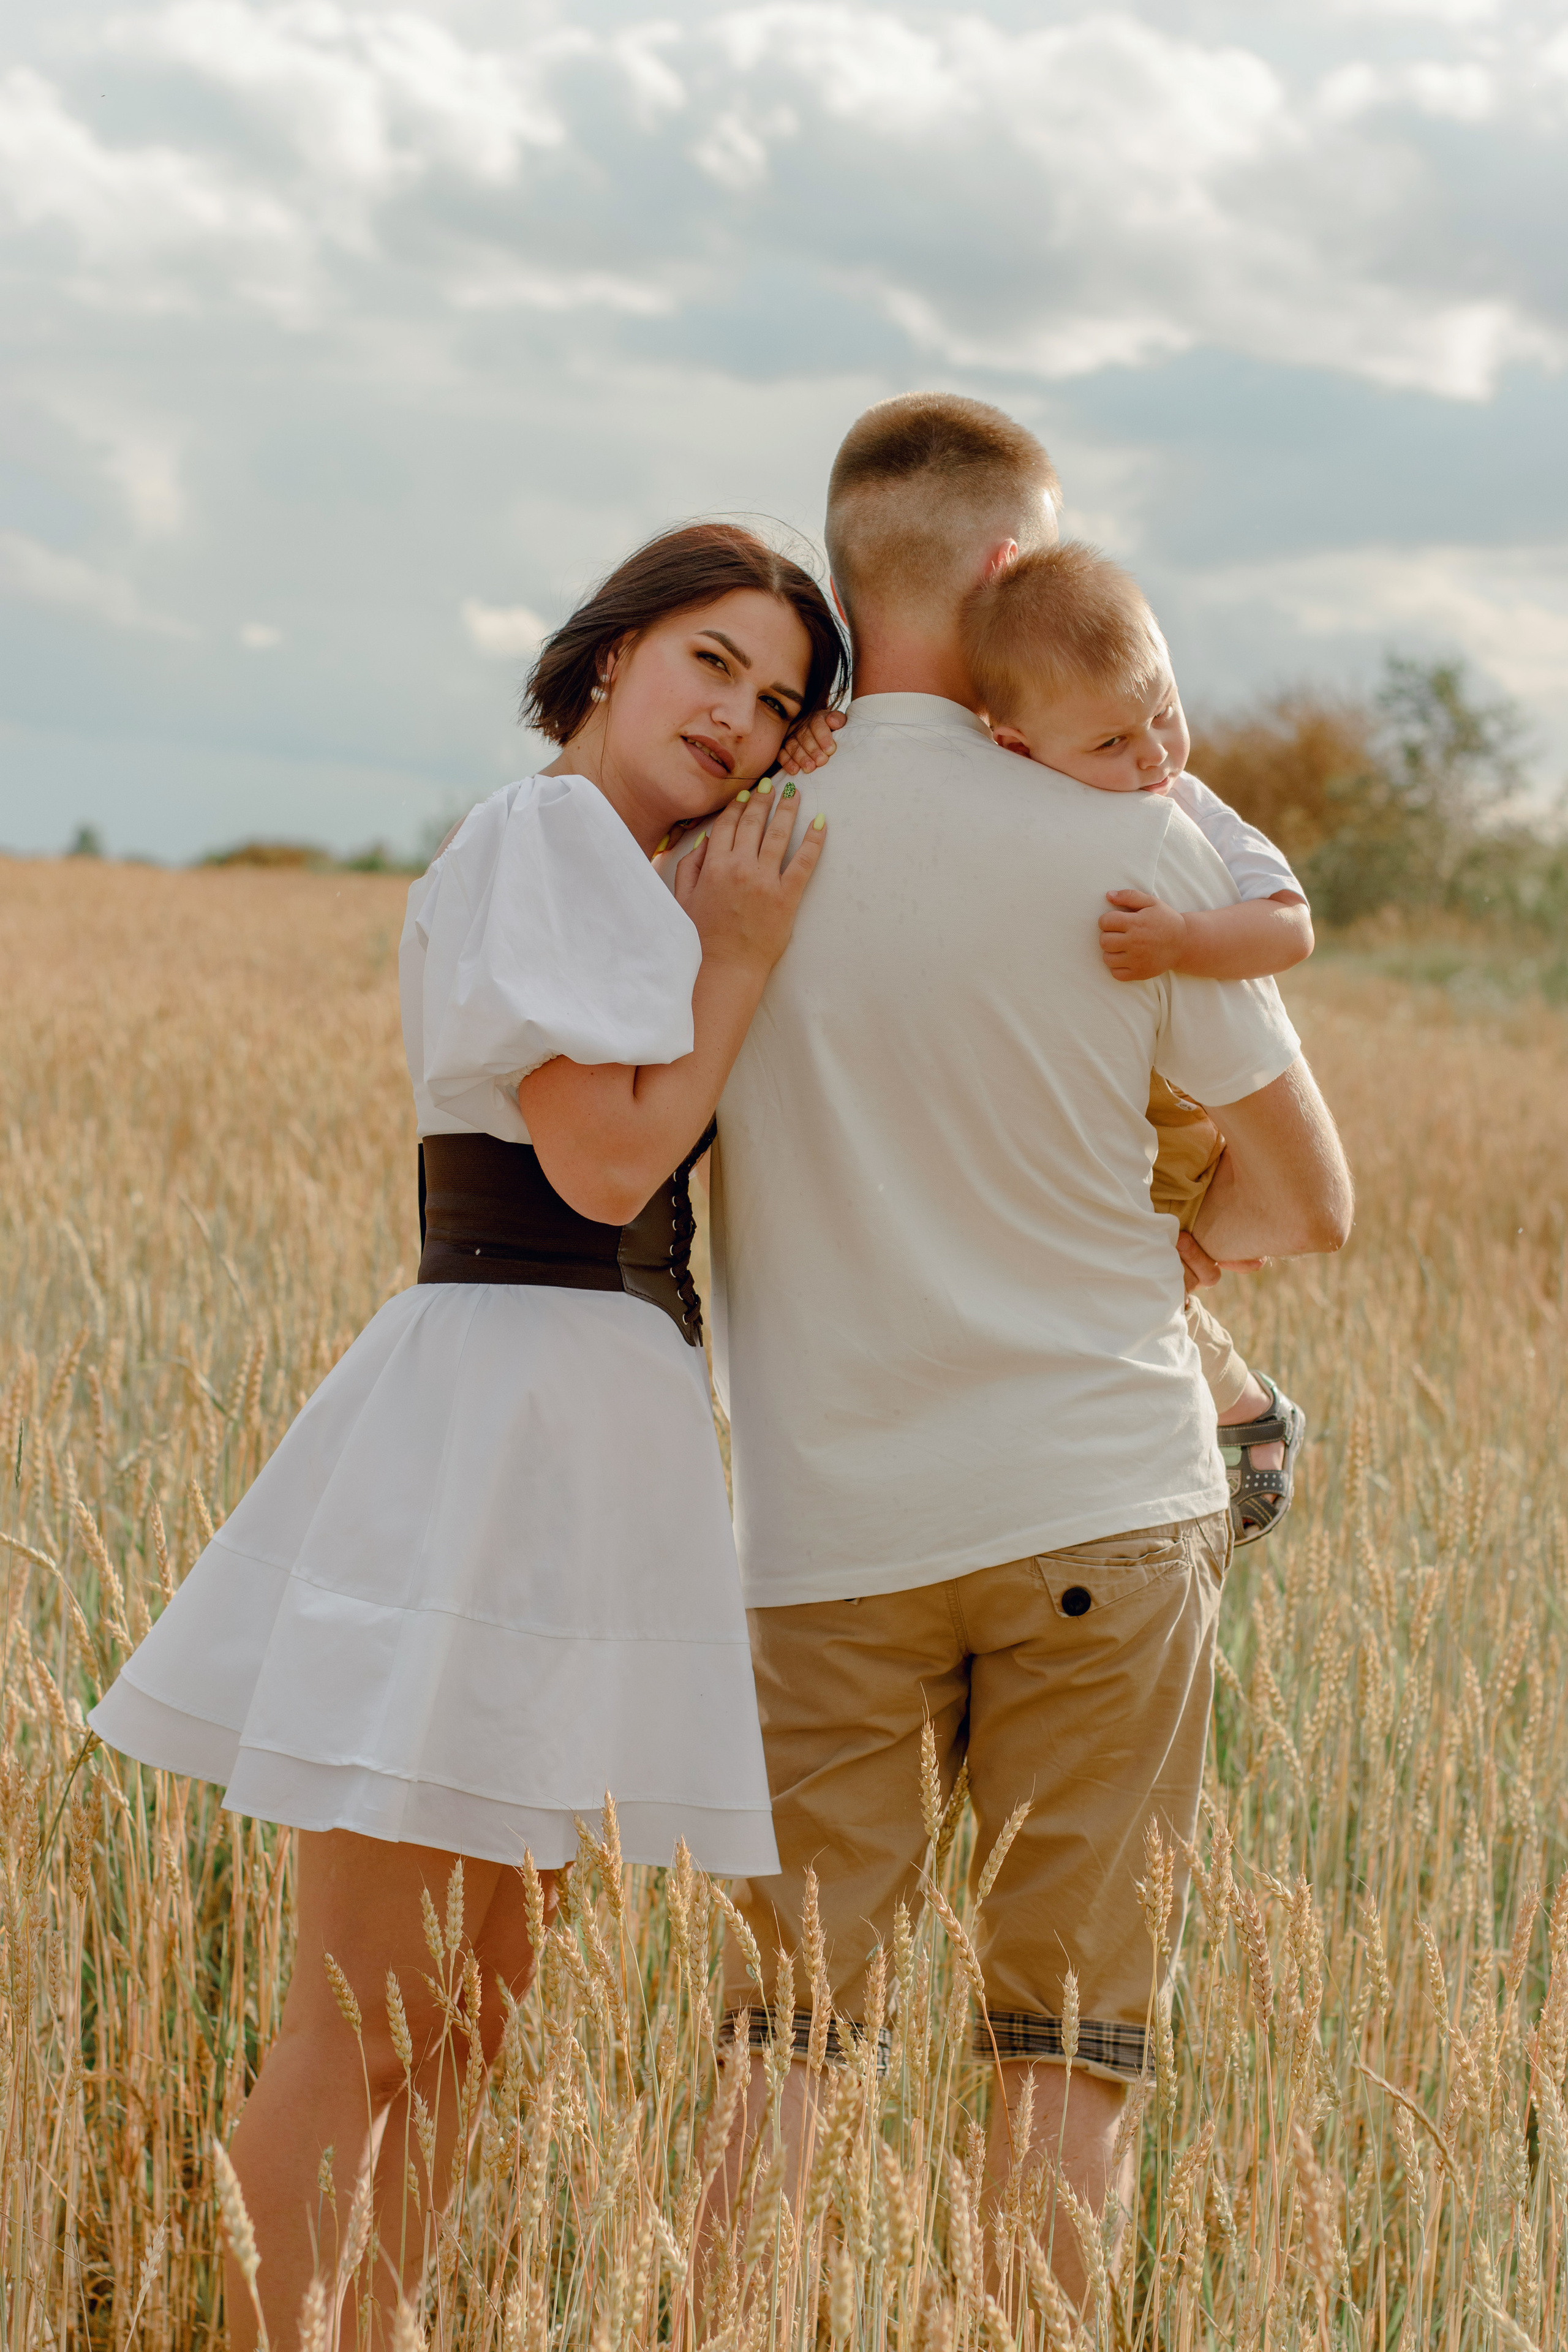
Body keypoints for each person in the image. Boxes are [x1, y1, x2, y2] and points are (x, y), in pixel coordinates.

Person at [89, 521, 846, 2348]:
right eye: (708, 664)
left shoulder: (618, 864)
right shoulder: (549, 839)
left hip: (584, 1423)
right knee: (365, 2016)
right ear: (609, 658)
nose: (739, 717)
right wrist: (741, 948)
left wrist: (767, 828)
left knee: (468, 2010)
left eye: (777, 701)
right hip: (503, 1402)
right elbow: (600, 1161)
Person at [704, 396, 1352, 2303]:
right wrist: (1174, 1254)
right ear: (1013, 576)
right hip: (1099, 1501)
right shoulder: (1126, 841)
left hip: (828, 1536)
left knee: (788, 2041)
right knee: (1071, 2046)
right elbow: (1309, 1198)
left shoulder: (736, 838)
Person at [962, 537, 1319, 1545]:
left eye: (1163, 712)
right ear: (1017, 752)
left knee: (1133, 1270)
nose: (1155, 755)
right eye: (1113, 745)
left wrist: (1186, 938)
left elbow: (1289, 923)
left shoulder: (1189, 813)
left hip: (1180, 1106)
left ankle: (1241, 1411)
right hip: (1097, 1086)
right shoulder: (1019, 806)